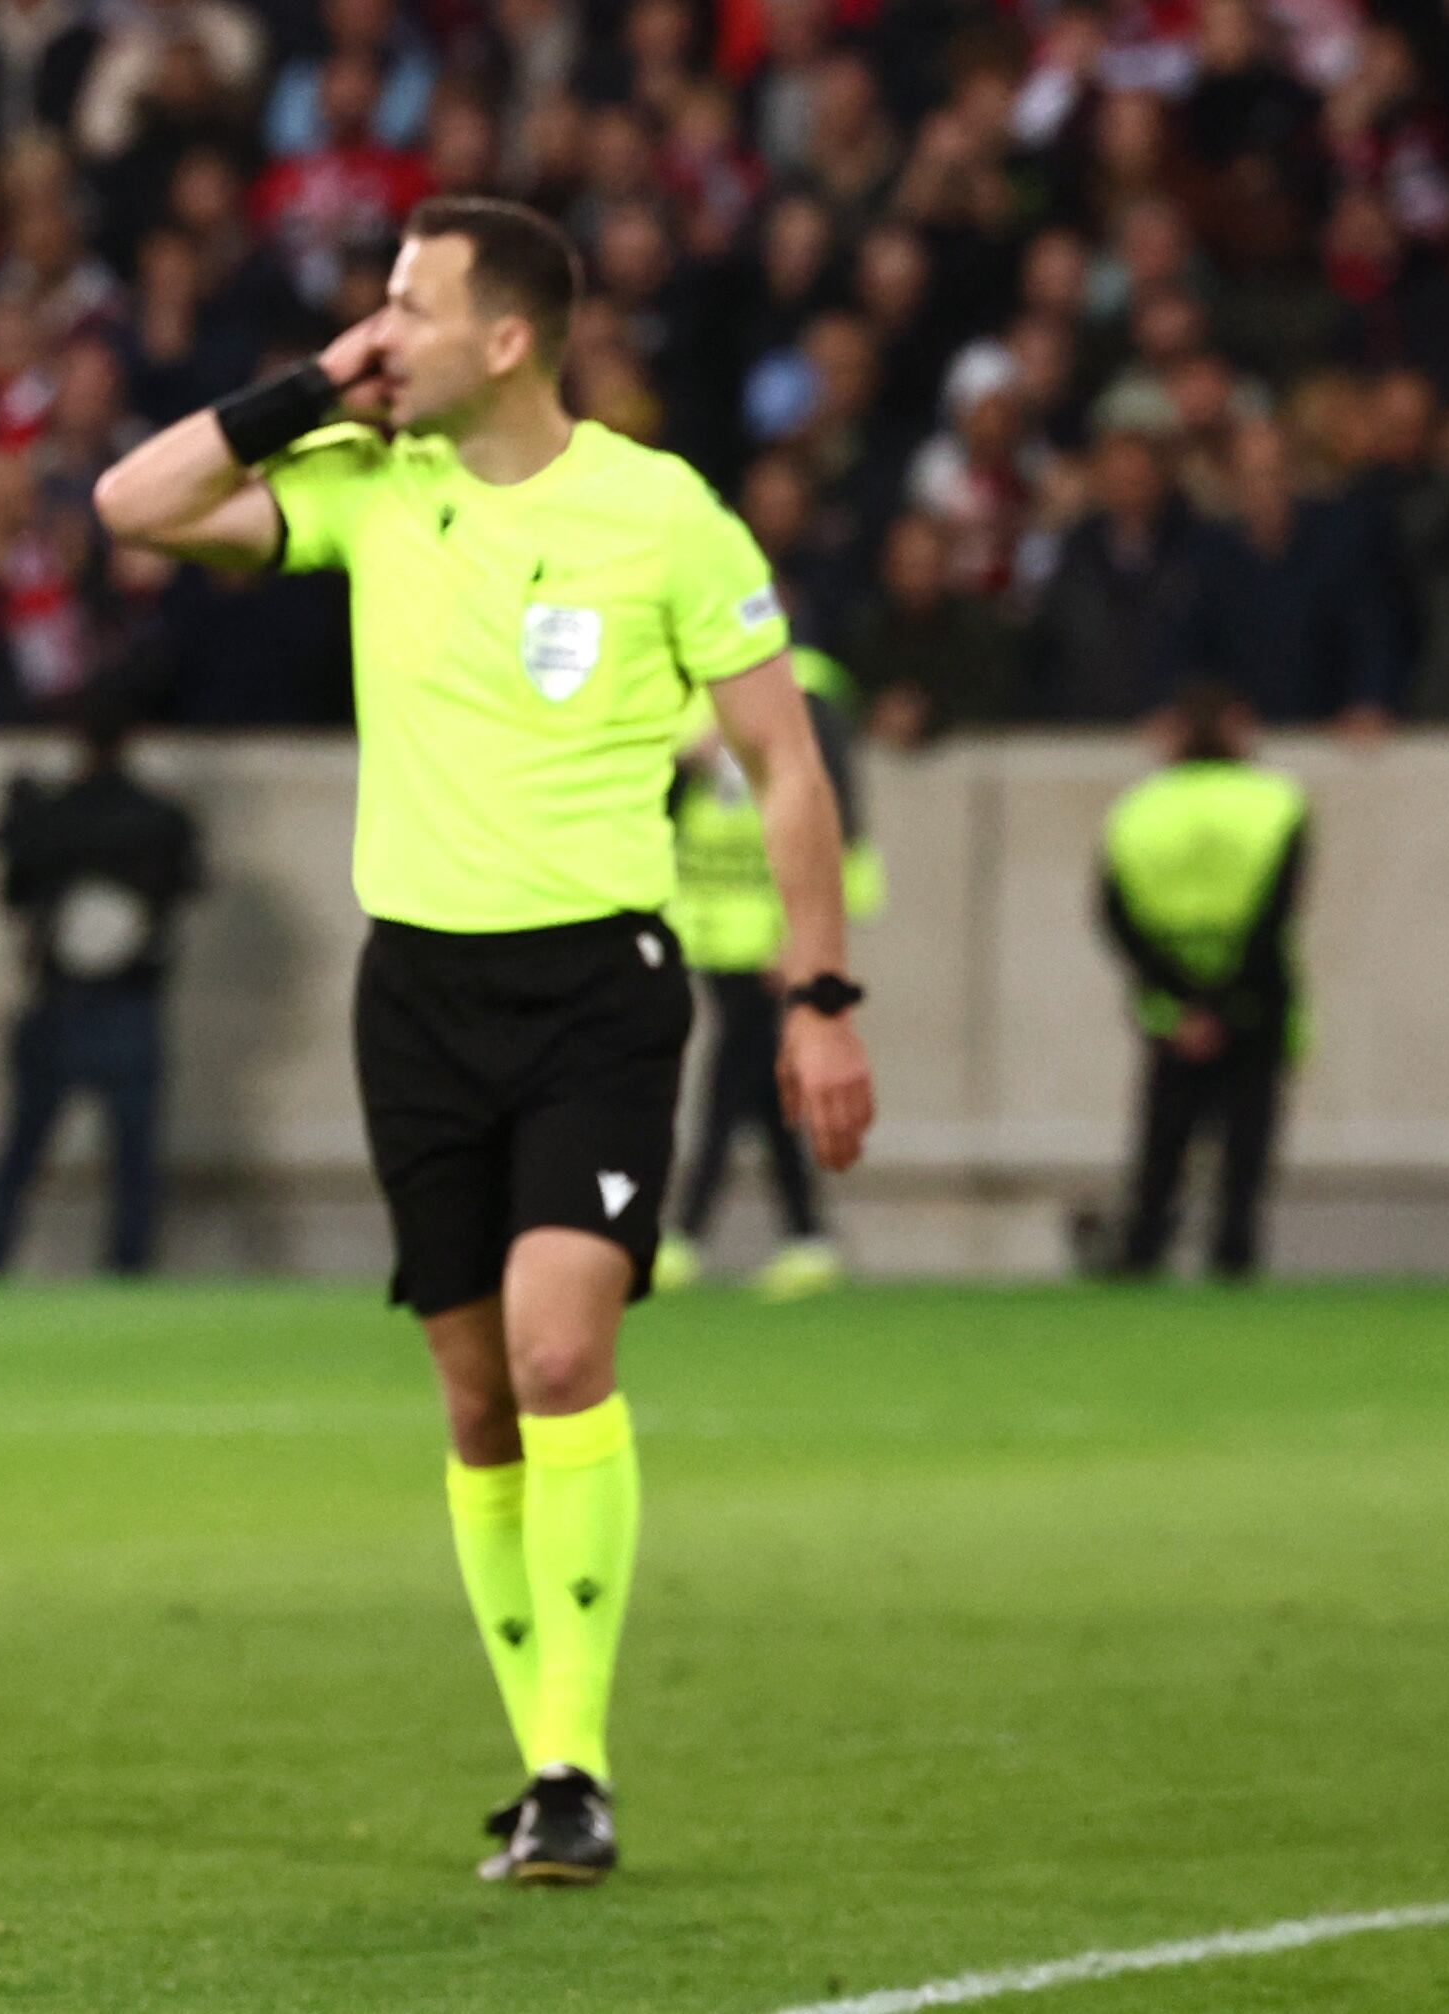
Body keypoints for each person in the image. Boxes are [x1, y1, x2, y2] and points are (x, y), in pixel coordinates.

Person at [91, 196, 873, 1884]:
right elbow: (132, 503)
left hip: (599, 982)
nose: (382, 328)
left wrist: (818, 995)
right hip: (420, 992)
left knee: (556, 1351)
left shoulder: (662, 516)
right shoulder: (378, 488)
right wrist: (315, 382)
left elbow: (786, 765)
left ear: (506, 337)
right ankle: (540, 1763)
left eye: (410, 305)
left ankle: (578, 1757)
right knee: (472, 1388)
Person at [658, 647, 879, 1298]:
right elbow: (650, 805)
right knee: (758, 1074)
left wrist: (806, 937)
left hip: (775, 920)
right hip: (710, 918)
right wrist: (682, 765)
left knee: (734, 1074)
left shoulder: (806, 689)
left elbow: (831, 802)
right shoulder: (687, 695)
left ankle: (689, 1232)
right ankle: (807, 1237)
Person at [0, 692, 205, 1276]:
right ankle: (129, 1271)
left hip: (61, 999)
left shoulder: (54, 814)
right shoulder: (157, 817)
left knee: (23, 1149)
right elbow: (183, 886)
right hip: (126, 1001)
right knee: (132, 1160)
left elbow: (13, 889)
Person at [1096, 683, 1307, 1281]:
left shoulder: (1139, 806)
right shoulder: (1277, 803)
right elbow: (1276, 913)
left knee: (1165, 1136)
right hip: (1256, 995)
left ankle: (1143, 1248)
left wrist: (1183, 1000)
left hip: (1169, 1001)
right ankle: (1233, 1252)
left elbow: (1115, 915)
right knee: (1246, 1142)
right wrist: (1224, 1000)